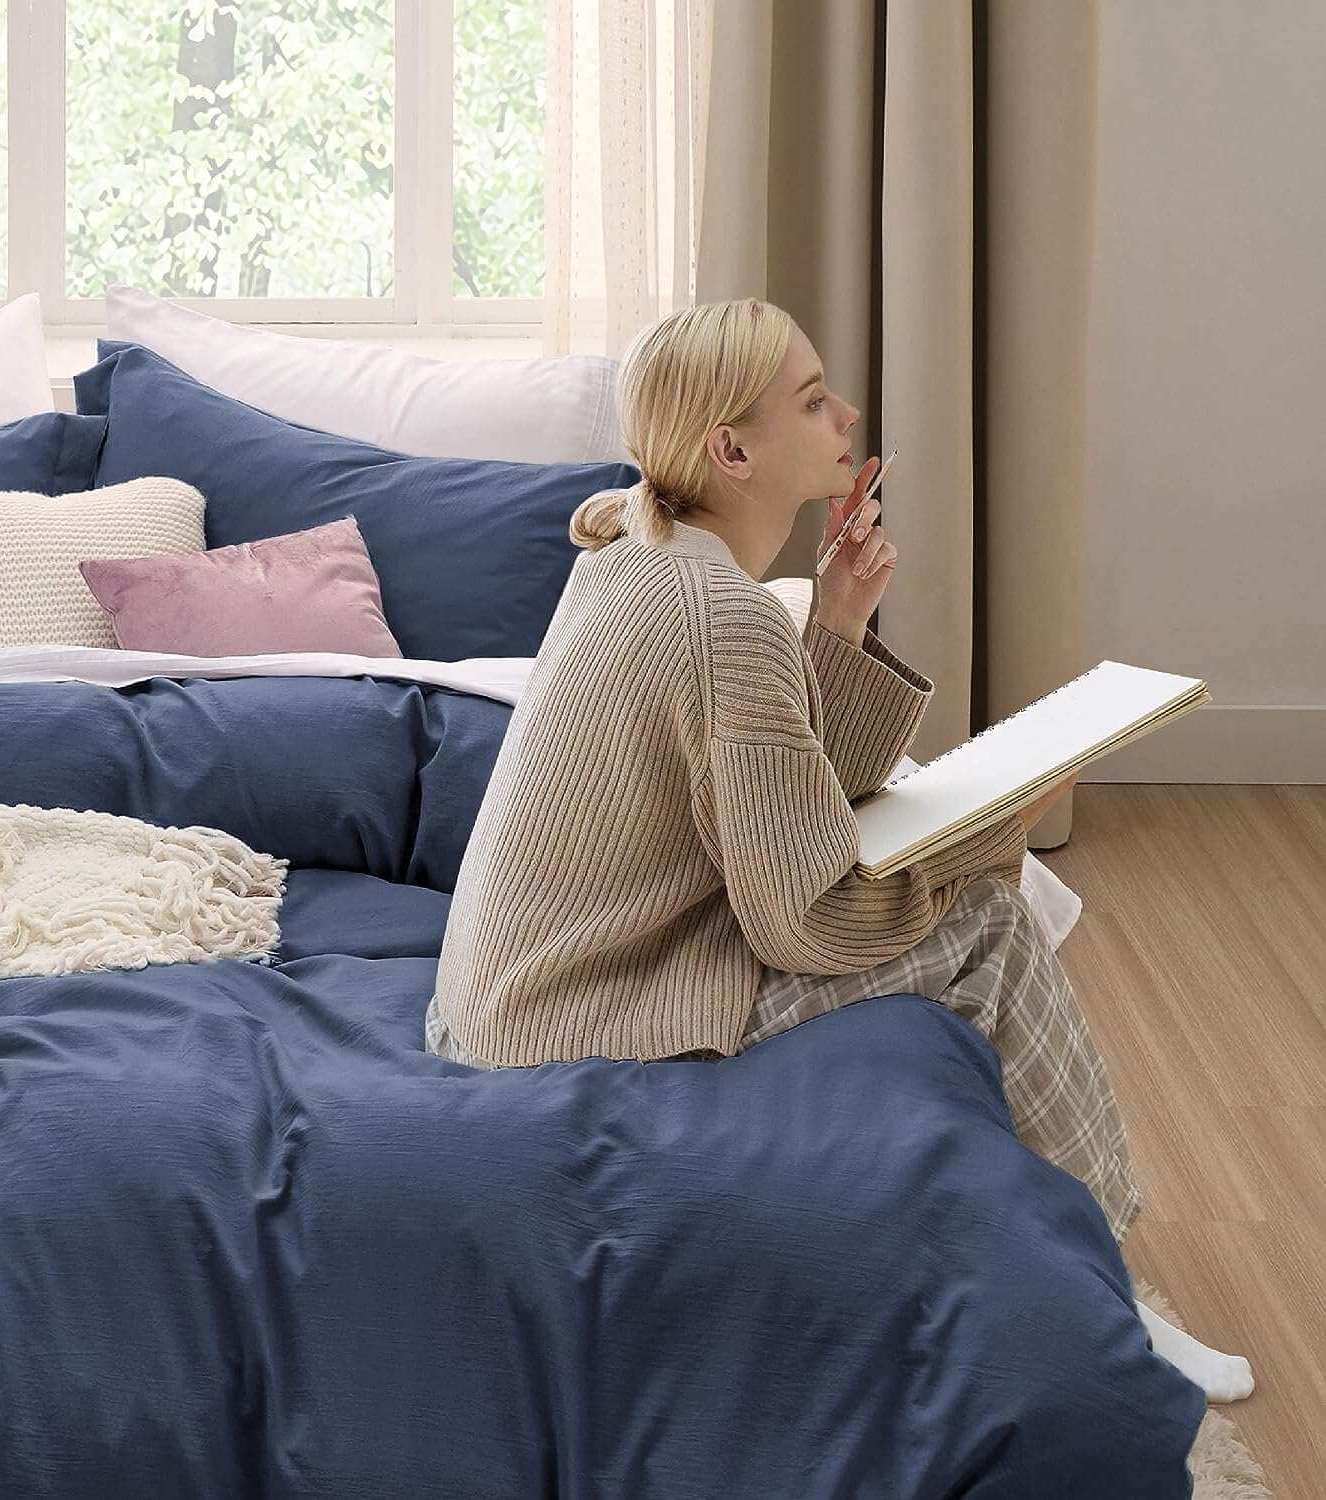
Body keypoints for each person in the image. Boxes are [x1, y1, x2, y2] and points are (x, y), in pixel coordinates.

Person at [424, 297, 1252, 1403]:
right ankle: (1106, 1286)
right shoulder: (721, 612)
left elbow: (782, 807)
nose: (847, 414)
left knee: (975, 897)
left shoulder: (635, 547)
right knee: (996, 928)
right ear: (732, 448)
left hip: (507, 1000)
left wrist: (841, 628)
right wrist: (988, 840)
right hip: (590, 1020)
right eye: (814, 401)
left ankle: (1039, 1256)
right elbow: (805, 920)